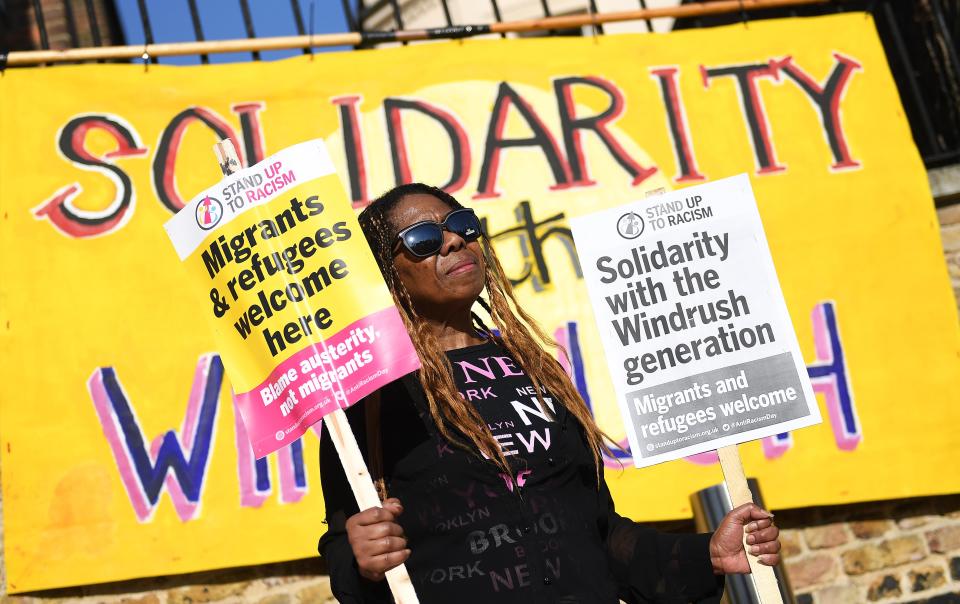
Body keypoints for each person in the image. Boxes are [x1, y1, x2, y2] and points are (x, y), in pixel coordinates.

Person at [318, 183, 781, 603]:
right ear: (387, 272)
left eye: (461, 225)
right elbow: (344, 553)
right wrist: (361, 561)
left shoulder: (533, 369)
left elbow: (598, 535)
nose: (454, 241)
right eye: (423, 238)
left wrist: (708, 555)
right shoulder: (372, 397)